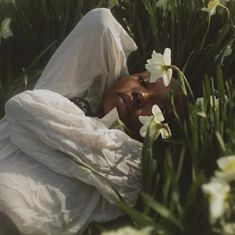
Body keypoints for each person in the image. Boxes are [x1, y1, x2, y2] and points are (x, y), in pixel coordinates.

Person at [0, 8, 176, 234]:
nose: (140, 95)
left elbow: (25, 107)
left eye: (155, 106)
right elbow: (100, 23)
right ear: (128, 75)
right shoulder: (67, 100)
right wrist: (112, 79)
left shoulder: (131, 160)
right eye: (143, 81)